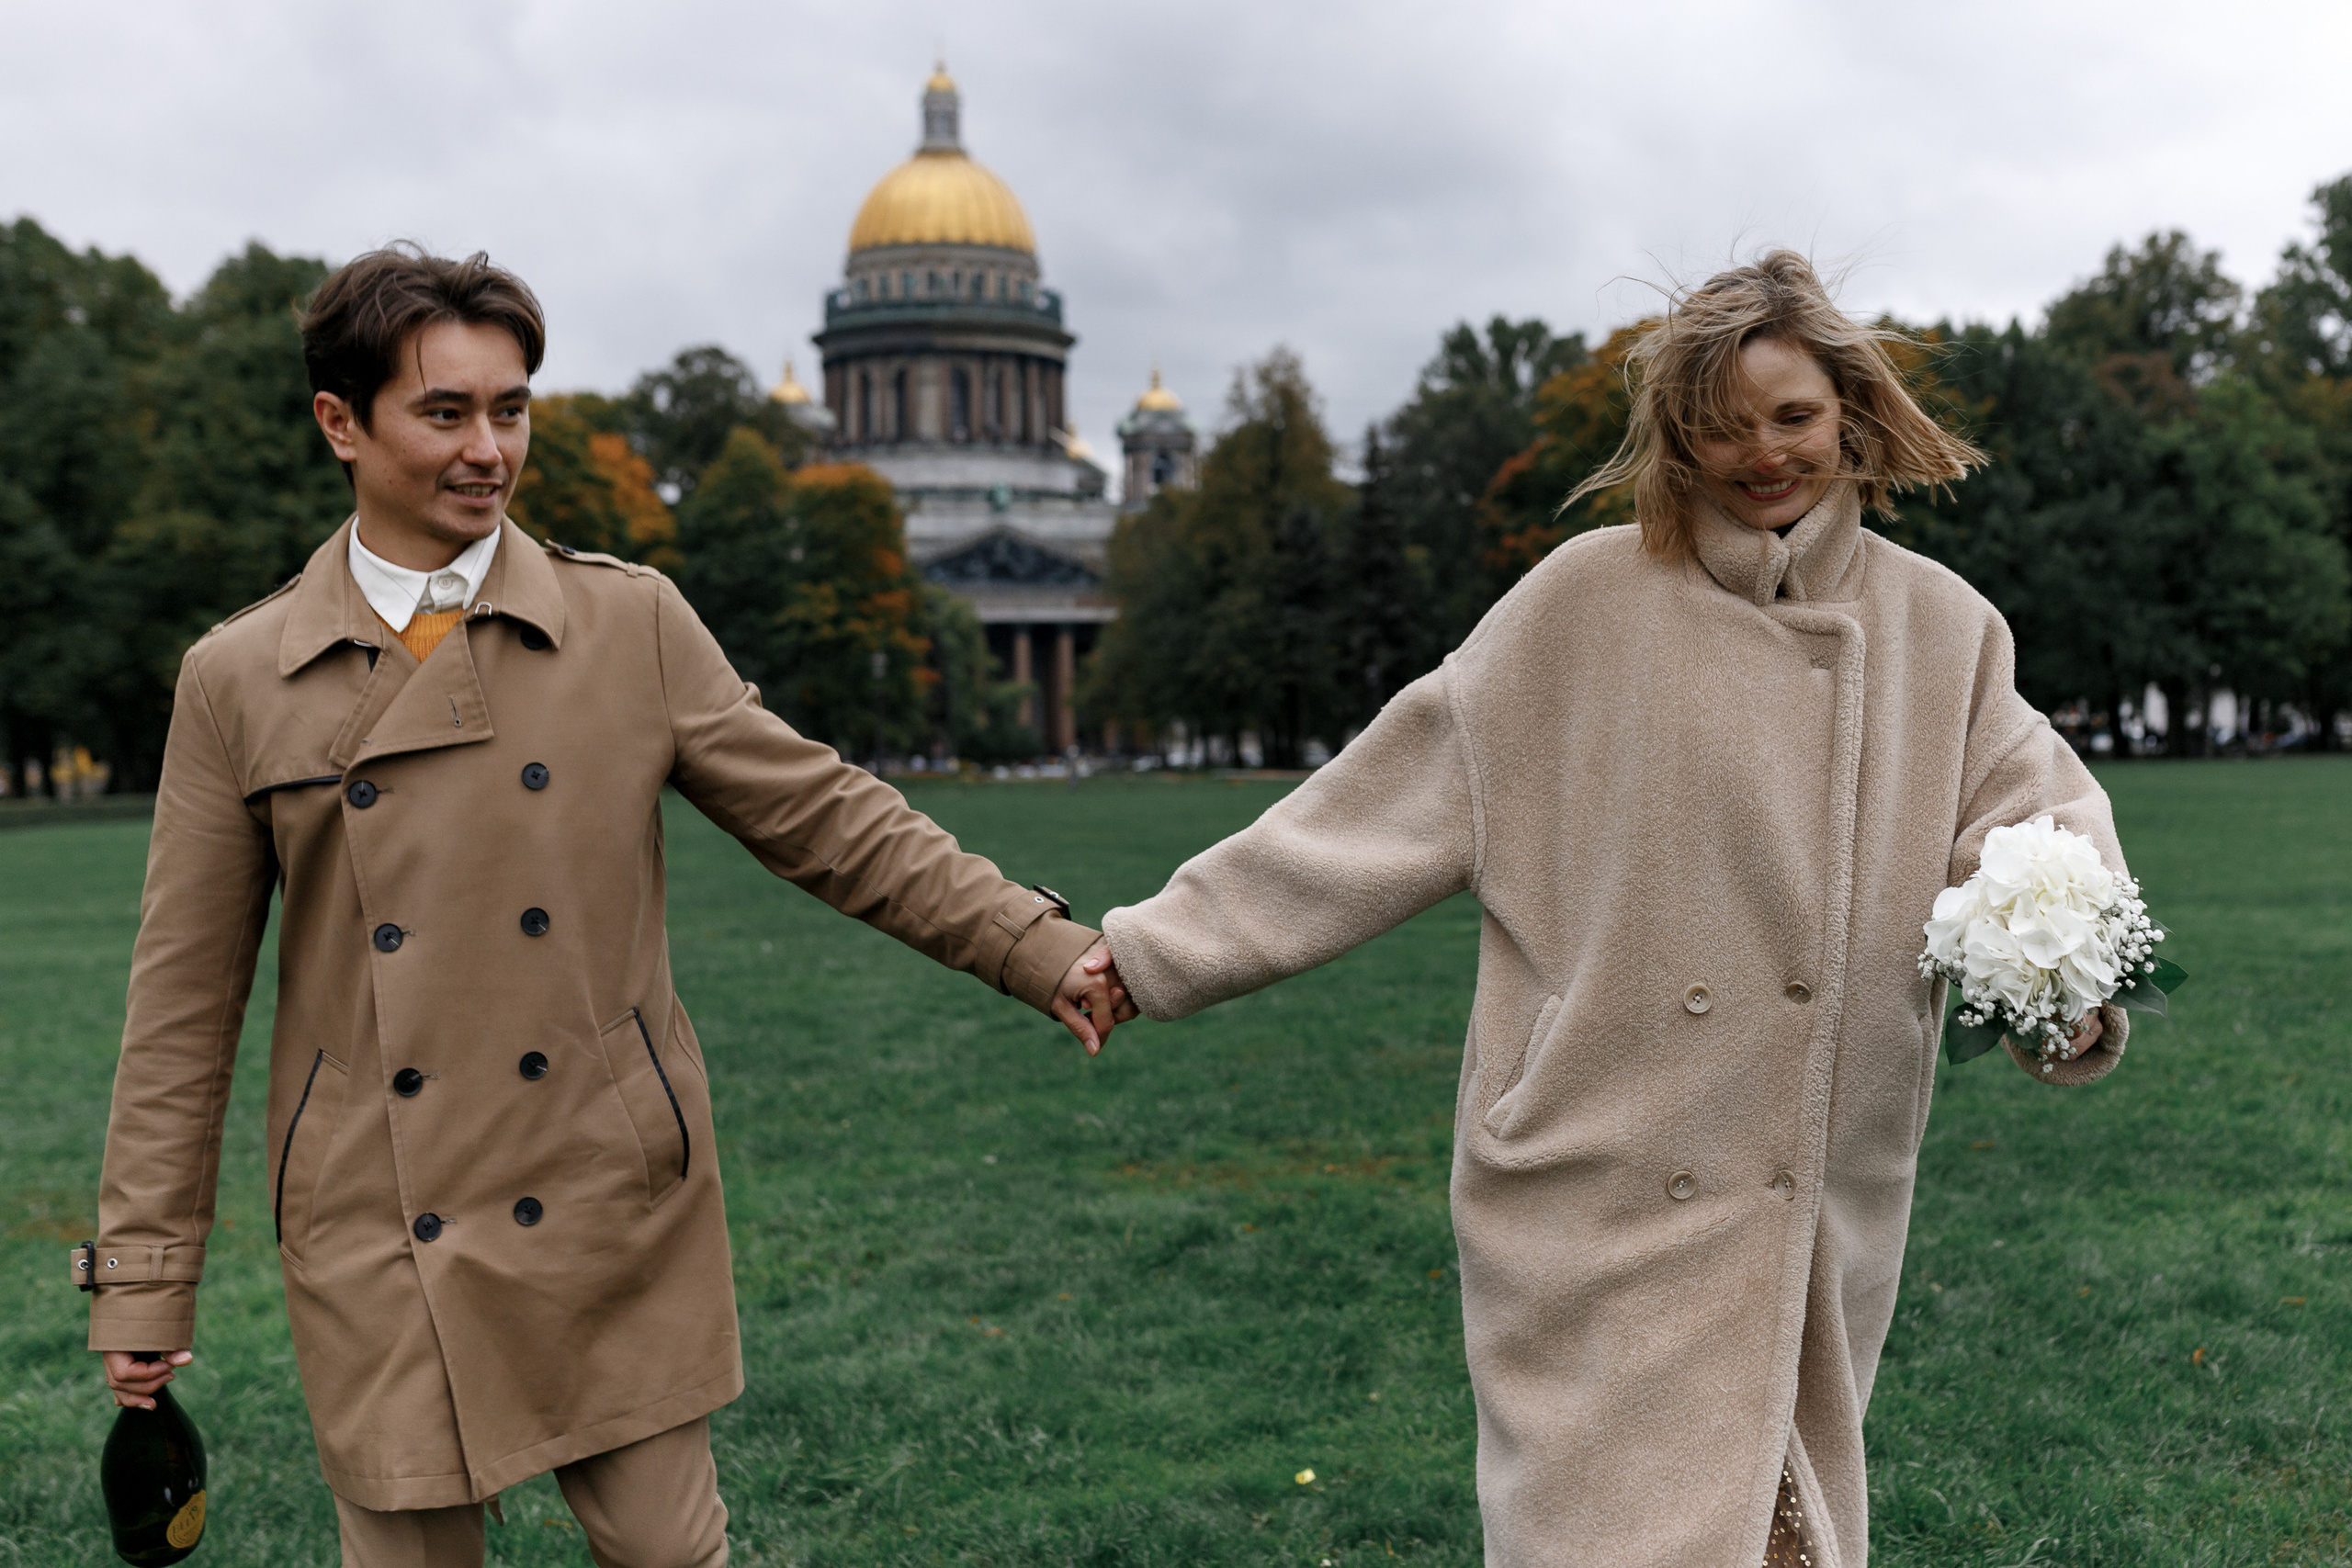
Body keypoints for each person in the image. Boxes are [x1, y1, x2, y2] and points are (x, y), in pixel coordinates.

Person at [77, 245, 1132, 1568]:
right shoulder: (237, 675)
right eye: (444, 413)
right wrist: (143, 1271)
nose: (488, 451)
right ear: (339, 425)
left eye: (510, 409)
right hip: (376, 1218)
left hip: (602, 1193)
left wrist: (1038, 948)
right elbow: (181, 1002)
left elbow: (830, 819)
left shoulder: (626, 622)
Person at [1078, 252, 2126, 1567]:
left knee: (1774, 1523)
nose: (1765, 453)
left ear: (1850, 416)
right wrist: (1152, 951)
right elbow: (1378, 805)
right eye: (1723, 425)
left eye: (1793, 416)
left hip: (1806, 1197)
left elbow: (2037, 818)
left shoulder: (1947, 630)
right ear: (1677, 439)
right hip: (1601, 1180)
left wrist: (2063, 978)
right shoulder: (1582, 599)